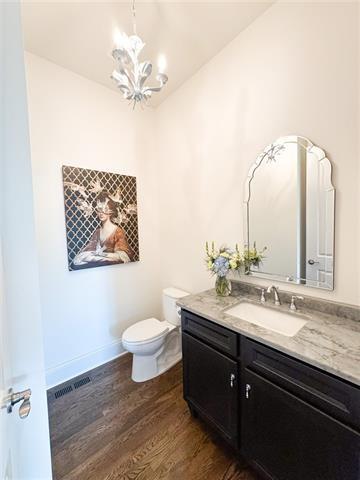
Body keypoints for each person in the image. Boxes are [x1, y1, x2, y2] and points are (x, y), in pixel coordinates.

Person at [73, 192, 133, 268]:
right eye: (99, 209)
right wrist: (94, 254)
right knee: (80, 258)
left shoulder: (118, 231)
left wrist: (103, 255)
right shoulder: (97, 232)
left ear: (111, 211)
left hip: (114, 267)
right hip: (98, 265)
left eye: (105, 209)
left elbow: (123, 256)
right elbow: (89, 251)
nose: (101, 213)